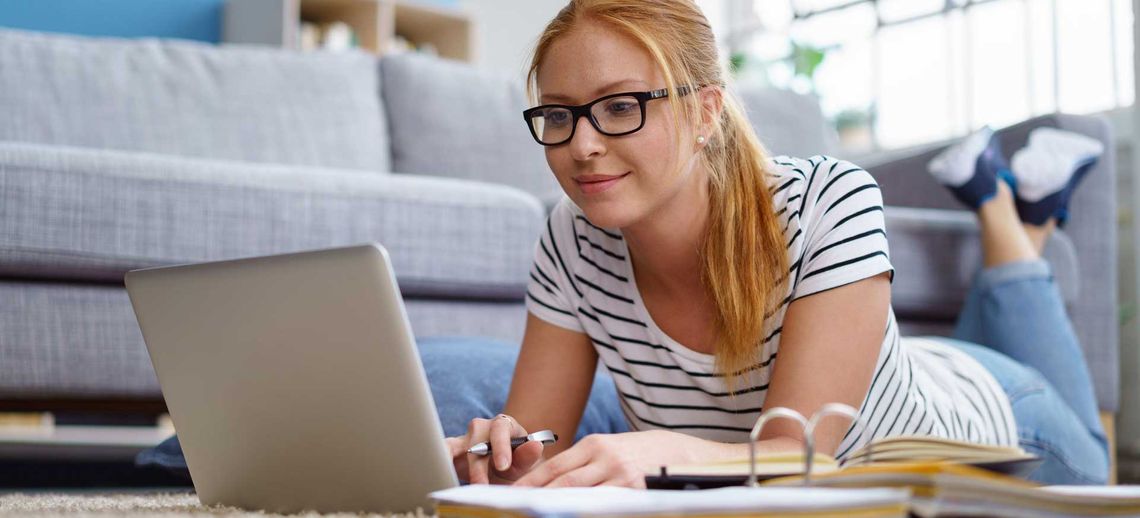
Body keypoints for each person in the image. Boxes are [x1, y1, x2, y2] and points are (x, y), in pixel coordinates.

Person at [439, 0, 1110, 487]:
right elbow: (533, 448)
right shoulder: (571, 237)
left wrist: (656, 452)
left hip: (995, 421)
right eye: (559, 114)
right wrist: (499, 455)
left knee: (1099, 467)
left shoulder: (829, 200)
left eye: (620, 106)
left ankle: (1001, 209)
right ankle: (1020, 212)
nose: (582, 145)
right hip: (895, 366)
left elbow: (804, 460)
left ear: (704, 111)